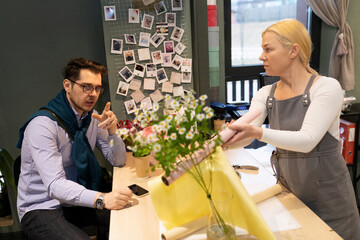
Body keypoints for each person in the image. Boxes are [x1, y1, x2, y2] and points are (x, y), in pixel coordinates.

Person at [225, 19, 360, 240]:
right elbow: (248, 133)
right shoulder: (265, 93)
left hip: (332, 205)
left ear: (293, 51)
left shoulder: (326, 87)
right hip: (291, 196)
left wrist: (257, 133)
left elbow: (307, 140)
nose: (261, 56)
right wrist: (228, 140)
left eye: (268, 49)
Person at [16, 58, 133, 240]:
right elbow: (55, 186)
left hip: (73, 199)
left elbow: (118, 160)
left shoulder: (91, 118)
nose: (93, 94)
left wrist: (112, 131)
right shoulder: (42, 126)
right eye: (86, 86)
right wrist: (103, 199)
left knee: (131, 218)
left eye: (97, 88)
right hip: (41, 206)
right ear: (68, 85)